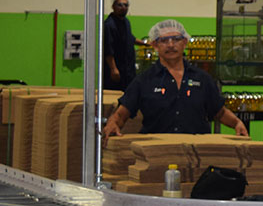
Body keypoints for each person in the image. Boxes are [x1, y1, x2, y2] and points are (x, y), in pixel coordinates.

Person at [103, 19, 248, 137]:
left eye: (176, 39)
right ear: (155, 45)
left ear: (184, 42)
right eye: (164, 40)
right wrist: (112, 123)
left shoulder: (202, 79)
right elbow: (122, 114)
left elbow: (219, 112)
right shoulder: (144, 81)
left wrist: (237, 123)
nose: (171, 45)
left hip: (195, 154)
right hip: (157, 153)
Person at [103, 0, 150, 91]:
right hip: (116, 69)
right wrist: (113, 69)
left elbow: (130, 38)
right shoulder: (109, 25)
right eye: (119, 5)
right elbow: (108, 49)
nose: (123, 7)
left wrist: (146, 44)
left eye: (126, 5)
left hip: (128, 69)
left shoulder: (126, 22)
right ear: (113, 7)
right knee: (114, 94)